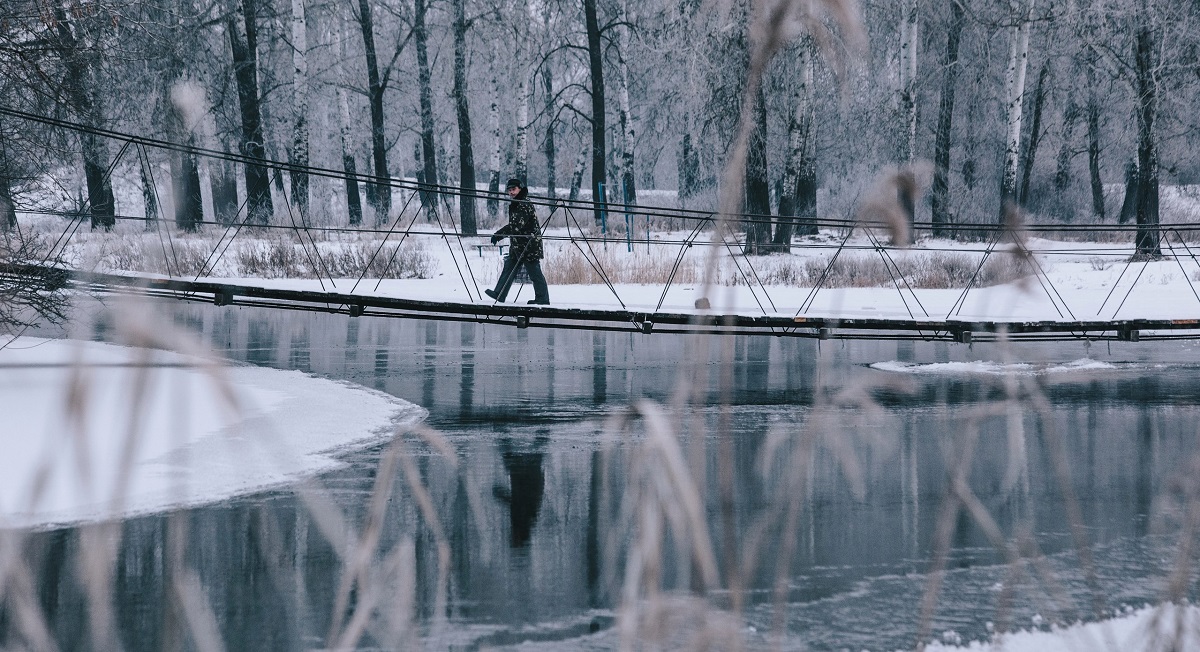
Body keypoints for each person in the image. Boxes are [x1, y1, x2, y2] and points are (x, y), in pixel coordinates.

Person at [485, 178, 550, 304]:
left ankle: (542, 298)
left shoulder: (524, 204)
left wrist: (498, 235)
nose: (511, 193)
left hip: (529, 245)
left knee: (534, 272)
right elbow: (515, 226)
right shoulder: (517, 203)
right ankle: (499, 293)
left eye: (513, 189)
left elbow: (515, 226)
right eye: (509, 190)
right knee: (508, 268)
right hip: (518, 245)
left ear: (520, 189)